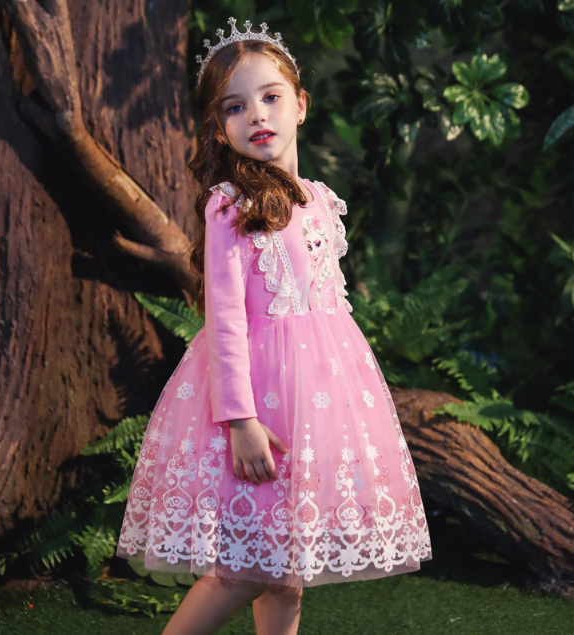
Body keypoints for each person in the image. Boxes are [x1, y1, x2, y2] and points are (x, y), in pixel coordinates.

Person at [116, 17, 432, 635]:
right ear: (220, 128)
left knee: (286, 575)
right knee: (241, 572)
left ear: (300, 105)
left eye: (270, 97)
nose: (256, 115)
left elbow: (327, 312)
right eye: (234, 107)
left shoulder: (322, 202)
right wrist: (240, 421)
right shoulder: (230, 205)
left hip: (318, 407)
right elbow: (225, 320)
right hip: (258, 408)